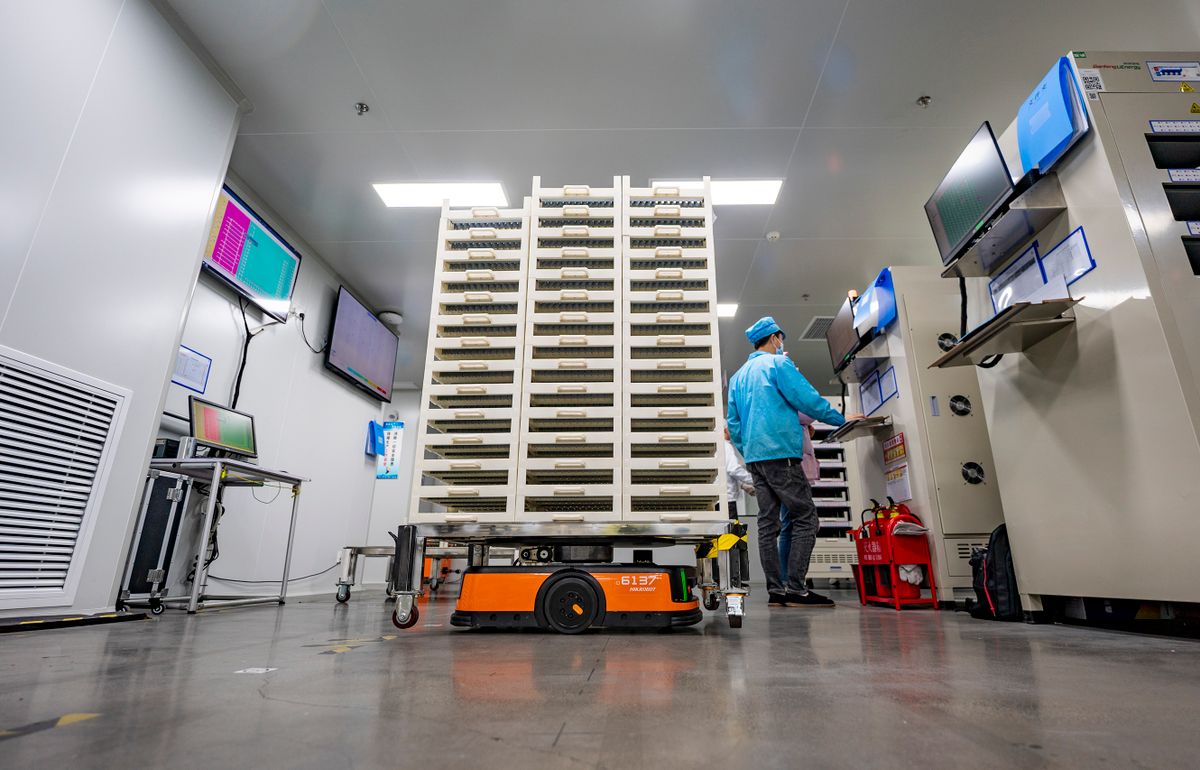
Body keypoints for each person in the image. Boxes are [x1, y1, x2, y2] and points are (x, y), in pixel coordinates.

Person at [727, 316, 862, 608]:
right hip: (782, 453)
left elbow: (734, 425)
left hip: (756, 458)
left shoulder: (737, 377)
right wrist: (839, 418)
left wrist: (749, 450)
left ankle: (776, 591)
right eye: (780, 337)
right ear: (775, 337)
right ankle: (798, 589)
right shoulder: (778, 364)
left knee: (767, 523)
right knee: (806, 517)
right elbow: (807, 399)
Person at [778, 414, 821, 584]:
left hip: (792, 471)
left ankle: (787, 581)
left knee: (789, 525)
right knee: (803, 524)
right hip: (793, 471)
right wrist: (841, 418)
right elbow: (811, 409)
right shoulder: (787, 399)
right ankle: (793, 582)